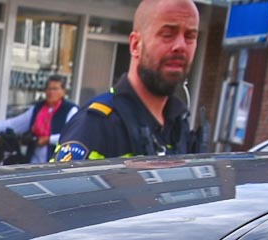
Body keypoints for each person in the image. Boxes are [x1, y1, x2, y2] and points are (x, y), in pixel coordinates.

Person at [53, 0, 197, 161]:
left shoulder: (179, 125)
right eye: (167, 35)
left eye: (190, 36)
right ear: (135, 45)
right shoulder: (95, 126)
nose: (180, 46)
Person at [0, 76, 79, 164]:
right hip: (34, 160)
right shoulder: (38, 108)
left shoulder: (70, 110)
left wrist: (48, 140)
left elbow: (72, 135)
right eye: (48, 89)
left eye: (55, 89)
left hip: (57, 162)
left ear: (63, 91)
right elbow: (16, 123)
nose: (51, 92)